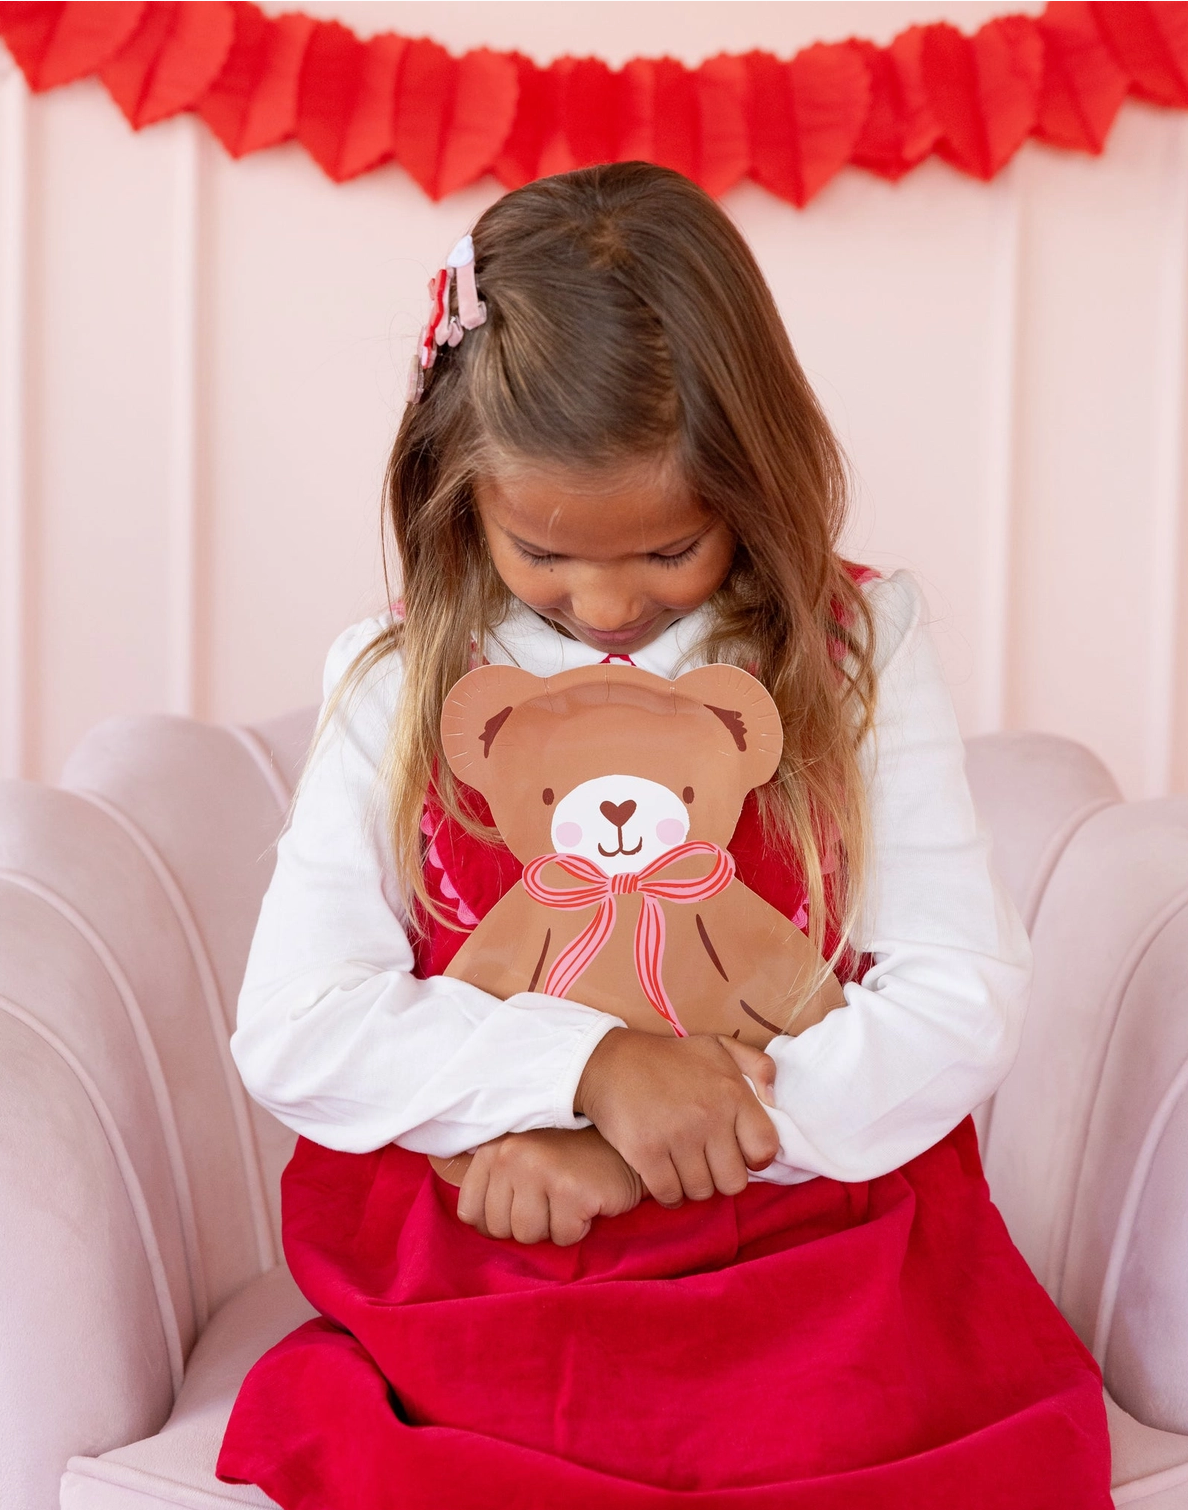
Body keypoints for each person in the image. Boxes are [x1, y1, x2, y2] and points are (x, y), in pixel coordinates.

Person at [217, 163, 1111, 1508]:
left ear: (753, 482)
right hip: (503, 1237)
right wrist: (587, 1069)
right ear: (459, 488)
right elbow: (295, 1024)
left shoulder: (857, 649)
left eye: (669, 550)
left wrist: (662, 1137)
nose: (606, 601)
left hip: (808, 1235)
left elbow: (958, 992)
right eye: (545, 553)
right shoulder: (397, 682)